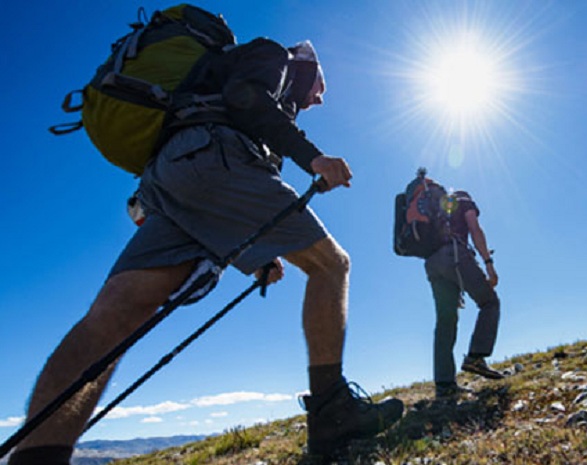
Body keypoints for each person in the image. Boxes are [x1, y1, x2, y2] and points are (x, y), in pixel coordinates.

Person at [8, 27, 402, 465]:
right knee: (331, 265)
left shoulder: (214, 79)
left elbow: (222, 193)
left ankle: (37, 455)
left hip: (170, 175)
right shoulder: (275, 55)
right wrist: (312, 157)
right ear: (306, 67)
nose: (319, 99)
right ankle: (333, 414)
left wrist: (256, 257)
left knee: (114, 315)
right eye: (321, 87)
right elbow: (245, 97)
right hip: (213, 155)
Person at [421, 175, 504, 400]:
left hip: (432, 264)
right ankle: (476, 357)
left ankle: (445, 385)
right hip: (455, 255)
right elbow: (474, 229)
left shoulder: (432, 208)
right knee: (489, 302)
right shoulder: (463, 198)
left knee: (445, 321)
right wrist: (488, 264)